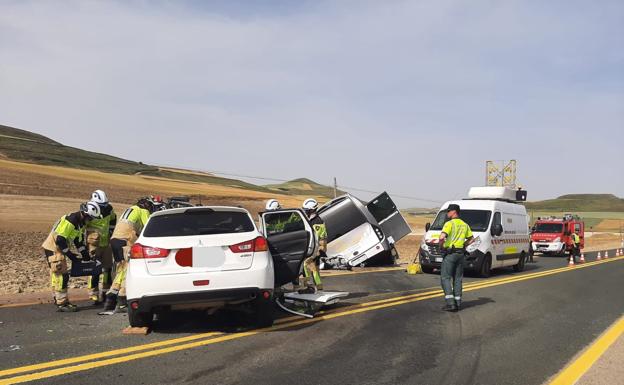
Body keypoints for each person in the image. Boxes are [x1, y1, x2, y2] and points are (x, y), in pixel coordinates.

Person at [41, 202, 102, 312]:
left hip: (59, 248)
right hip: (54, 247)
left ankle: (58, 299)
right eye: (90, 218)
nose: (91, 221)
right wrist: (70, 255)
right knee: (62, 275)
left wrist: (85, 254)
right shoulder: (71, 220)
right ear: (85, 214)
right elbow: (60, 240)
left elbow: (77, 240)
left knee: (57, 275)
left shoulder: (80, 223)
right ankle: (62, 303)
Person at [102, 197, 154, 313]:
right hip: (125, 241)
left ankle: (110, 299)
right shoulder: (143, 211)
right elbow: (147, 227)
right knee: (128, 270)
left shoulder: (130, 209)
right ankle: (122, 301)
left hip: (115, 241)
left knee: (121, 269)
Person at [438, 204, 474, 312]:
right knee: (458, 279)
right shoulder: (464, 224)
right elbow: (472, 239)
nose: (448, 213)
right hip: (461, 254)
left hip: (450, 254)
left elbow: (441, 237)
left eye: (449, 211)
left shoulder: (449, 224)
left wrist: (441, 246)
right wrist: (464, 245)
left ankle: (450, 303)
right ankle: (458, 302)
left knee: (445, 278)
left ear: (454, 212)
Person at [85, 190, 117, 304]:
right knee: (95, 269)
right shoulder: (89, 209)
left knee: (107, 269)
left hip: (106, 242)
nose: (103, 207)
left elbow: (113, 218)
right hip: (94, 244)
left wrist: (111, 231)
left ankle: (105, 292)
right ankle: (93, 294)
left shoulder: (109, 209)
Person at [299, 198, 327, 293]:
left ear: (312, 210)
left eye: (306, 210)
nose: (305, 212)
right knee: (315, 270)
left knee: (307, 265)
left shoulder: (317, 222)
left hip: (316, 249)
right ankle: (318, 289)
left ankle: (308, 287)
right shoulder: (310, 220)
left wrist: (320, 251)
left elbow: (321, 238)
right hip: (312, 249)